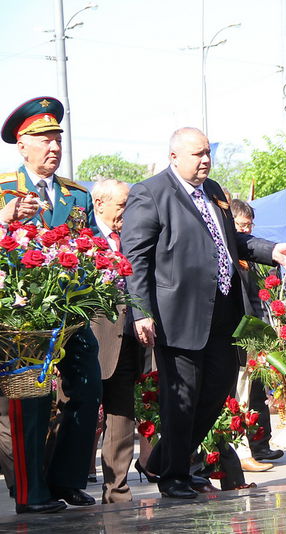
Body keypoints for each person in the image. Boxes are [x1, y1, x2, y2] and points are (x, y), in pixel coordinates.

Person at [121, 127, 286, 499]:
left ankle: (166, 461)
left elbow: (233, 241)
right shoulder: (151, 193)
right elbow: (134, 258)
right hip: (177, 315)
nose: (205, 160)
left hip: (223, 311)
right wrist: (140, 311)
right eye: (196, 154)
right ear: (174, 157)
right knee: (181, 397)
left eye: (207, 153)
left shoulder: (214, 191)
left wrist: (272, 251)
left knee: (218, 390)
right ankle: (173, 476)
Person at [0, 96, 102, 513]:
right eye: (44, 139)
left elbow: (96, 248)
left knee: (87, 389)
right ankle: (31, 492)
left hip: (71, 315)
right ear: (22, 144)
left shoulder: (76, 196)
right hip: (22, 318)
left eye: (57, 138)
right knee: (31, 400)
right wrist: (5, 217)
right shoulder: (5, 190)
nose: (54, 146)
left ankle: (68, 480)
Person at [88, 179, 149, 504]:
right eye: (122, 205)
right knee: (75, 414)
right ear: (99, 203)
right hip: (90, 342)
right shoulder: (83, 238)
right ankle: (61, 483)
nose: (128, 212)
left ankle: (117, 489)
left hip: (127, 339)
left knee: (122, 414)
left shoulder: (131, 238)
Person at [229, 199, 283, 471]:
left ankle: (256, 446)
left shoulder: (252, 259)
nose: (246, 231)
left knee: (253, 394)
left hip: (254, 335)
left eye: (250, 225)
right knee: (239, 395)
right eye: (241, 226)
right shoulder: (231, 257)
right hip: (238, 336)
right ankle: (239, 454)